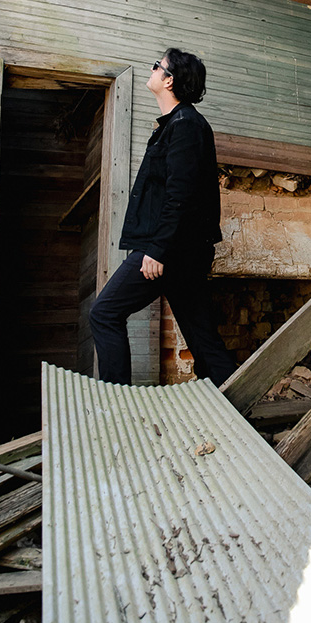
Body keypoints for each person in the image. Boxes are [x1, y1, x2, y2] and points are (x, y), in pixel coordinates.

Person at [90, 48, 236, 387]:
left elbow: (179, 196)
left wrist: (156, 249)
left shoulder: (185, 126)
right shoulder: (179, 124)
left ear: (168, 80)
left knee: (104, 314)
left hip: (170, 250)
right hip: (184, 250)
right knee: (201, 336)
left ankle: (116, 403)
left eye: (157, 66)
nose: (152, 70)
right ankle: (236, 405)